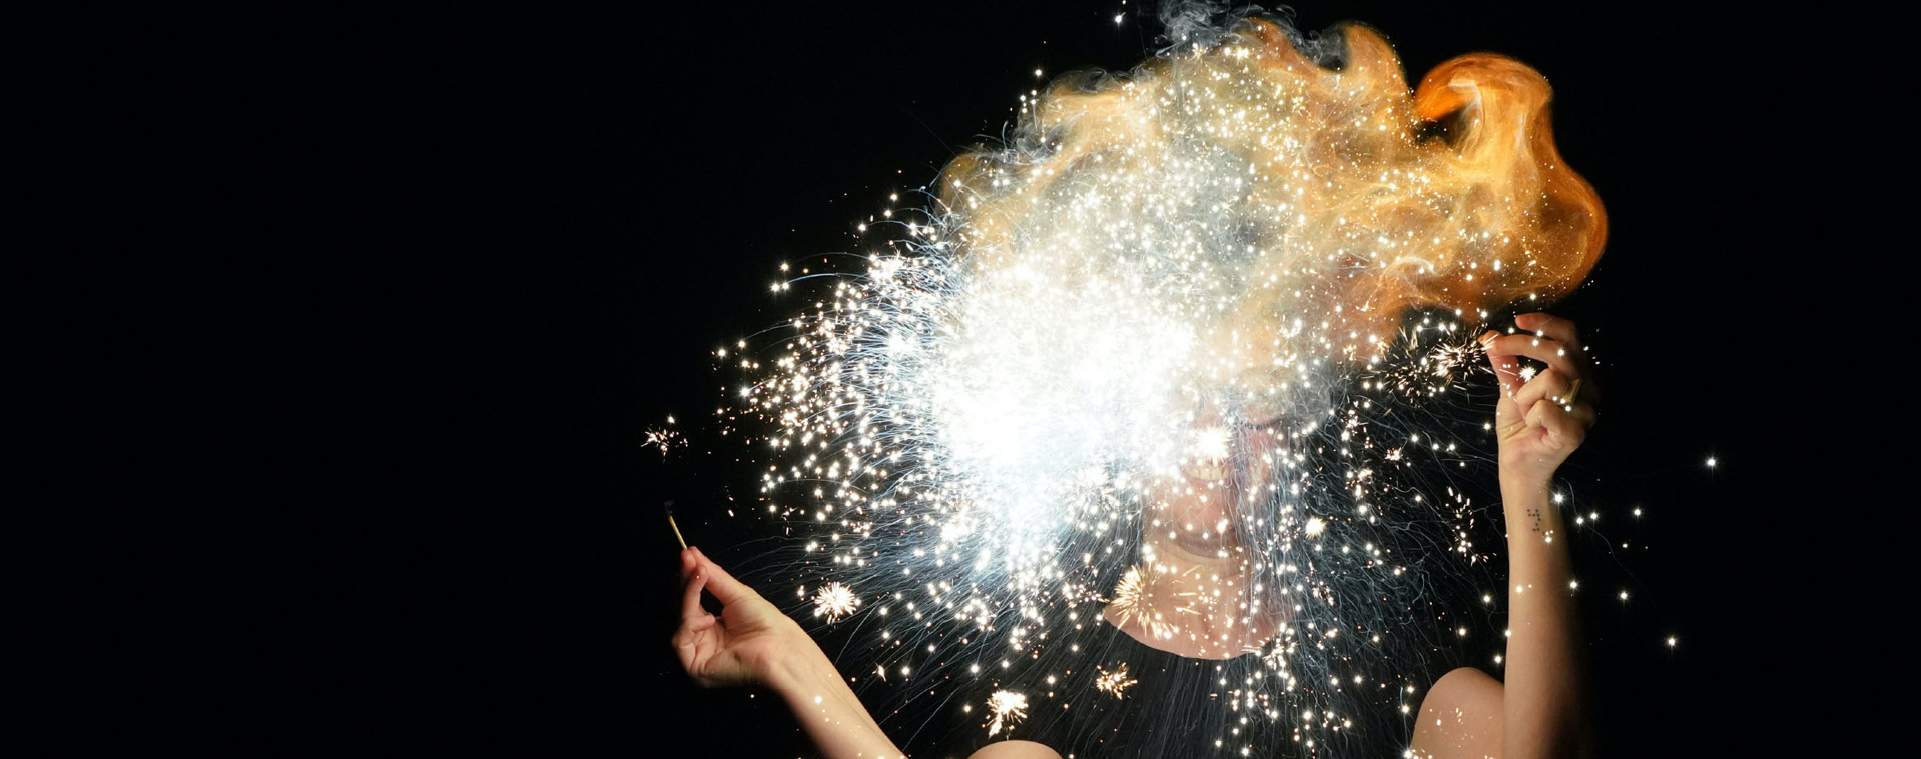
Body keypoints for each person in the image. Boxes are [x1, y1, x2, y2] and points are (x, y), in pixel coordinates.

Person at [672, 312, 1596, 759]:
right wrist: (795, 662)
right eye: (1185, 398)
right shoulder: (1051, 685)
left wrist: (1527, 487)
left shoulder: (1373, 659)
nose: (1217, 432)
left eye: (1256, 406)